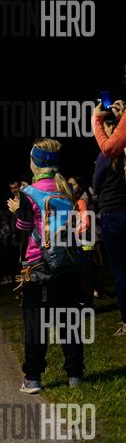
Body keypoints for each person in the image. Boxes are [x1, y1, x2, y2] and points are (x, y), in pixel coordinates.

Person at [7, 138, 86, 393]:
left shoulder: (29, 193)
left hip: (38, 266)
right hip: (68, 263)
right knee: (69, 321)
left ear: (37, 161)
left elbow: (24, 229)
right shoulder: (66, 188)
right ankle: (75, 375)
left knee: (35, 324)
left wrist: (17, 211)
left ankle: (33, 379)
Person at [92, 99, 126, 336]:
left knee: (121, 269)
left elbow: (95, 185)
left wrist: (97, 119)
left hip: (113, 213)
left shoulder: (106, 156)